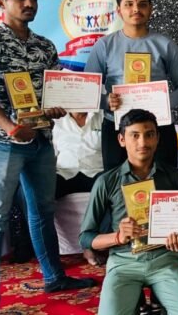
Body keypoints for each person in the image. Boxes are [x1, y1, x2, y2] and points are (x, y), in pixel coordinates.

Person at [0, 0, 96, 314]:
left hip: (42, 140)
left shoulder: (45, 45)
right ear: (1, 2)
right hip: (3, 142)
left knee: (43, 210)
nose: (29, 3)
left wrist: (63, 106)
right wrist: (10, 127)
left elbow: (59, 90)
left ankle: (54, 277)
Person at [79, 109, 178, 314]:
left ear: (157, 138)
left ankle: (154, 300)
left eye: (149, 134)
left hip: (164, 261)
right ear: (121, 139)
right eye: (134, 135)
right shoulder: (106, 181)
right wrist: (118, 237)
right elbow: (86, 238)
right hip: (124, 263)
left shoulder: (173, 176)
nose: (142, 142)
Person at [85, 0, 178, 171]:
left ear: (151, 9)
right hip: (116, 126)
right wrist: (106, 101)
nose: (136, 9)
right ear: (119, 11)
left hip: (158, 125)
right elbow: (86, 90)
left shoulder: (165, 44)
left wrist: (163, 102)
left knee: (164, 182)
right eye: (129, 4)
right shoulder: (104, 45)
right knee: (118, 184)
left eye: (142, 4)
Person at [53, 111, 106, 266]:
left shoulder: (102, 116)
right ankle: (50, 255)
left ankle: (91, 246)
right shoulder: (56, 120)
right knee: (40, 197)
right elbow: (50, 154)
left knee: (108, 190)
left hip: (96, 172)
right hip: (65, 172)